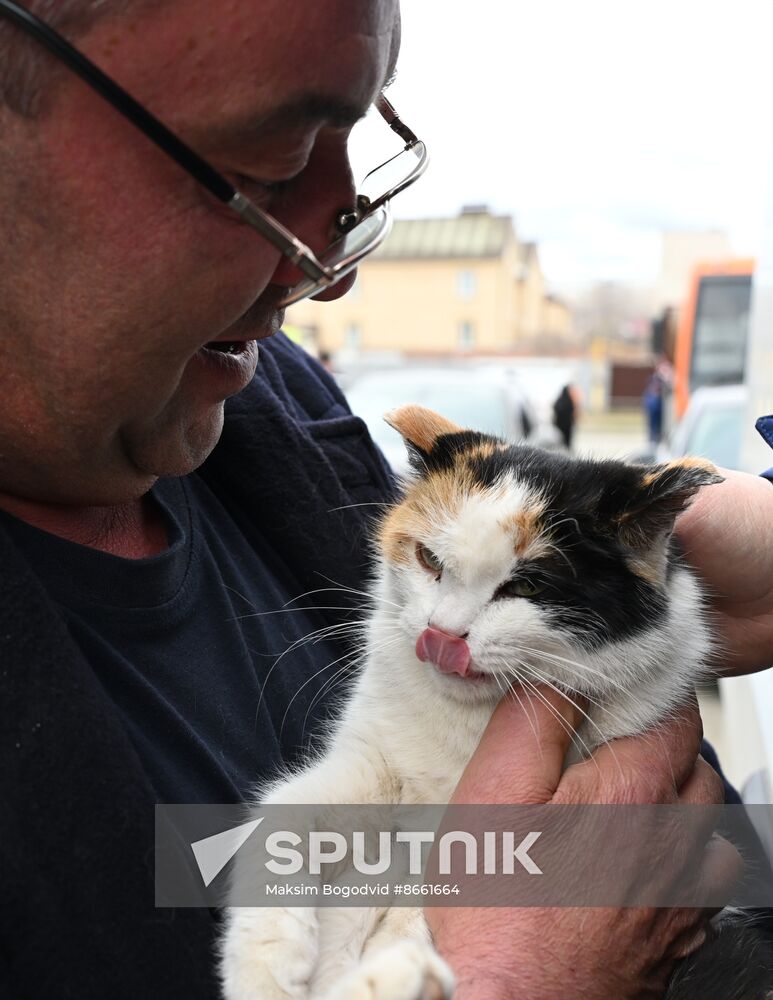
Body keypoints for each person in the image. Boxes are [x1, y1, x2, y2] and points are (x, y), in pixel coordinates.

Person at [0, 1, 760, 997]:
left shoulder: (265, 401)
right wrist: (506, 979)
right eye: (269, 159)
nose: (326, 273)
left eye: (359, 136)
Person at [552, 383, 577, 450]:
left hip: (560, 426)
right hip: (567, 427)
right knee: (567, 442)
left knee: (561, 441)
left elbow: (555, 408)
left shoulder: (560, 400)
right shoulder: (569, 402)